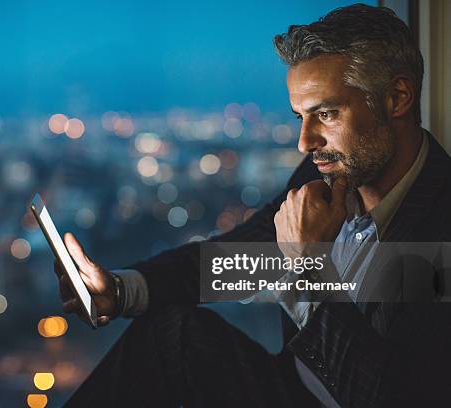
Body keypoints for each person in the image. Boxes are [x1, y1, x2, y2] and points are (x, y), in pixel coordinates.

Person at [55, 4, 451, 407]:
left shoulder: (442, 225)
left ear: (397, 97)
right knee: (171, 332)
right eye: (299, 116)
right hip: (292, 386)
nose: (304, 142)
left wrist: (307, 267)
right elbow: (237, 258)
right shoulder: (325, 177)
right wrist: (120, 291)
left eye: (326, 114)